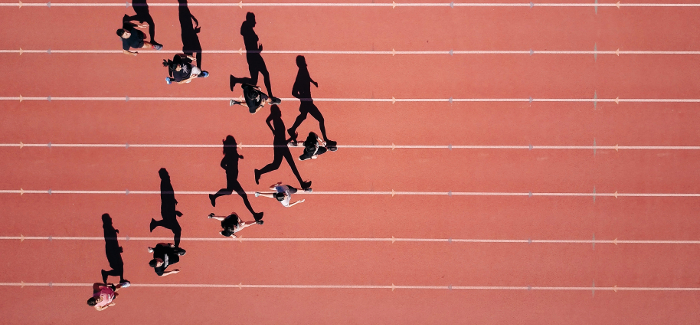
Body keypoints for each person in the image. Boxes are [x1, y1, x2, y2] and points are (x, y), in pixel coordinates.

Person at [209, 135, 264, 224]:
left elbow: (233, 157)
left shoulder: (233, 153)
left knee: (229, 191)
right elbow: (222, 164)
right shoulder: (229, 155)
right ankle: (254, 214)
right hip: (232, 177)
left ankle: (213, 196)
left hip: (233, 176)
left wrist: (239, 157)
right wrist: (228, 170)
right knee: (244, 196)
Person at [255, 105, 312, 190]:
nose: (280, 111)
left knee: (279, 165)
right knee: (281, 165)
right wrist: (292, 138)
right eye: (279, 110)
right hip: (280, 145)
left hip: (280, 144)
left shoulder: (276, 119)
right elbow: (282, 141)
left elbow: (267, 121)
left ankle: (302, 183)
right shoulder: (277, 121)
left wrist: (273, 130)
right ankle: (258, 172)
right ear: (277, 112)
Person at [229, 12, 281, 103]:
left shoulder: (247, 29)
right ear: (250, 20)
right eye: (254, 20)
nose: (255, 22)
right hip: (254, 56)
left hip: (252, 56)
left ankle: (235, 80)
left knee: (254, 81)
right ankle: (270, 96)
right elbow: (250, 45)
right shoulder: (248, 31)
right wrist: (258, 50)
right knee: (265, 74)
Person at [287, 55, 336, 147]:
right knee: (320, 119)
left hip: (307, 101)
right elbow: (293, 92)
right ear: (301, 63)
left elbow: (307, 77)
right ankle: (325, 140)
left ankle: (292, 129)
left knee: (303, 116)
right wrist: (303, 98)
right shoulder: (300, 74)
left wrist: (313, 82)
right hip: (307, 102)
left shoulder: (304, 70)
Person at [150, 168, 184, 248]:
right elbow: (166, 199)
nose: (168, 175)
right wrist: (175, 212)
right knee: (177, 230)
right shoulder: (165, 183)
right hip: (168, 211)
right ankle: (176, 247)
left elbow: (168, 196)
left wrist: (174, 200)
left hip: (167, 210)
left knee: (174, 228)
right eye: (166, 174)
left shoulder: (166, 182)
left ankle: (155, 223)